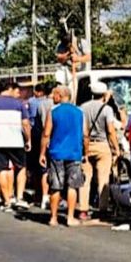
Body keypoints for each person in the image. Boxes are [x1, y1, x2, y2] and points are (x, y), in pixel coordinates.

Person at [40, 86, 88, 227]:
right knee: (72, 186)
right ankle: (70, 217)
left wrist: (42, 153)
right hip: (75, 153)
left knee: (55, 186)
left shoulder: (53, 111)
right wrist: (86, 152)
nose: (52, 97)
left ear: (60, 95)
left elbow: (46, 134)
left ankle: (53, 218)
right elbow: (85, 135)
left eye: (54, 94)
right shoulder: (80, 112)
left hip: (56, 153)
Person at [0, 80, 31, 212]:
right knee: (21, 168)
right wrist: (28, 139)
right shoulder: (19, 103)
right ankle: (19, 198)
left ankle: (7, 202)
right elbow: (25, 123)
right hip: (16, 141)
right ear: (9, 88)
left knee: (1, 170)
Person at [80, 82, 120, 219]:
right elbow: (110, 130)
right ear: (103, 94)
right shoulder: (107, 109)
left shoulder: (83, 108)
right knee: (103, 179)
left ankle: (83, 210)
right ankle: (103, 209)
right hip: (102, 145)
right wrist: (116, 148)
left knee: (85, 179)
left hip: (86, 145)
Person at [31, 83, 55, 209]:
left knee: (43, 169)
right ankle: (54, 196)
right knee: (55, 169)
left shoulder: (40, 105)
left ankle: (43, 196)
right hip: (54, 139)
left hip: (42, 139)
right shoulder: (55, 105)